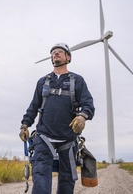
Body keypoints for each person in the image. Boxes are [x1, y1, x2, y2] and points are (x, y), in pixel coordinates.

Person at [19, 43, 95, 194]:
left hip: (68, 138)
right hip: (44, 136)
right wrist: (24, 125)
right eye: (53, 52)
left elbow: (88, 104)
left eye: (60, 52)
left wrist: (82, 116)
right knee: (40, 174)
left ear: (68, 57)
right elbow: (33, 106)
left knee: (67, 179)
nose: (56, 54)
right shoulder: (43, 81)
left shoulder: (77, 81)